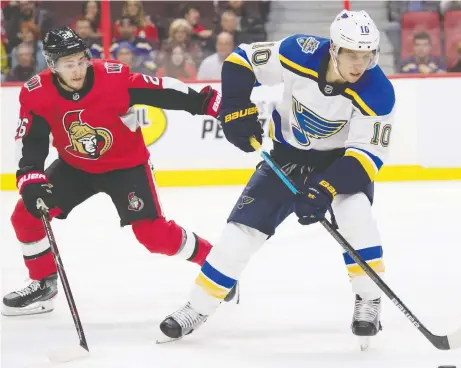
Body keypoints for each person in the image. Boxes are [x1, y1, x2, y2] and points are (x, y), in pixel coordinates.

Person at [159, 10, 395, 349]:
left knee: (356, 218)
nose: (360, 64)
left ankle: (369, 299)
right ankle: (196, 308)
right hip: (285, 157)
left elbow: (366, 156)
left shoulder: (378, 91)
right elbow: (242, 61)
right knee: (239, 234)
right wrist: (236, 108)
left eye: (366, 55)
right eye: (352, 54)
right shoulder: (300, 51)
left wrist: (324, 189)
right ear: (333, 49)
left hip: (337, 165)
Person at [2, 27, 236, 316]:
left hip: (127, 165)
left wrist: (209, 103)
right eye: (67, 64)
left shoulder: (112, 78)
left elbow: (162, 91)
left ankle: (215, 264)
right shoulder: (37, 93)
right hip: (76, 167)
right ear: (52, 65)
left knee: (154, 236)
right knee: (25, 217)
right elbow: (31, 139)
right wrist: (31, 175)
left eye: (80, 61)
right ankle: (43, 284)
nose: (77, 71)